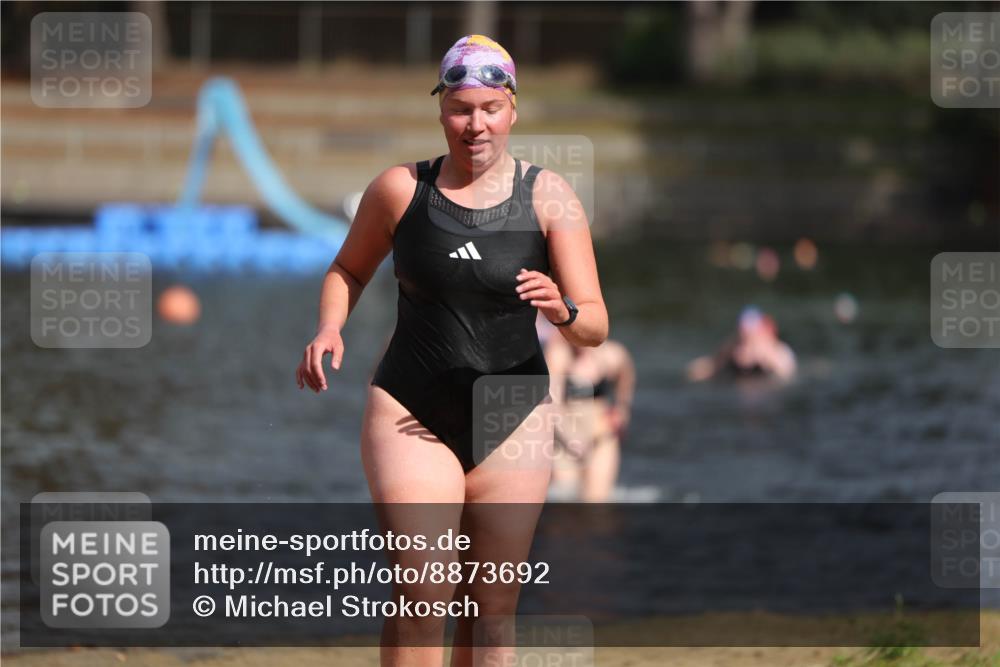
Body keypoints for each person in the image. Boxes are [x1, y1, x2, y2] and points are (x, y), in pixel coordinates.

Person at [296, 35, 607, 666]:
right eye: (462, 108)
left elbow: (595, 324)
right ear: (441, 111)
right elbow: (347, 271)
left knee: (492, 611)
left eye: (489, 108)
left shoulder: (550, 199)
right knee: (423, 592)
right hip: (411, 409)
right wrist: (331, 328)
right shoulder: (400, 190)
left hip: (513, 415)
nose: (476, 124)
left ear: (512, 110)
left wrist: (562, 309)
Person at [539, 315, 636, 502]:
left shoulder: (613, 354)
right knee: (564, 501)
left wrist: (622, 410)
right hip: (564, 439)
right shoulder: (559, 354)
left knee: (597, 501)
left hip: (601, 436)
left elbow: (626, 381)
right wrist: (571, 440)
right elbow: (552, 402)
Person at [686, 306, 796, 382]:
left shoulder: (776, 349)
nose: (748, 338)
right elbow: (698, 371)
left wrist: (762, 357)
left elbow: (787, 373)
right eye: (744, 334)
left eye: (752, 333)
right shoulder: (732, 347)